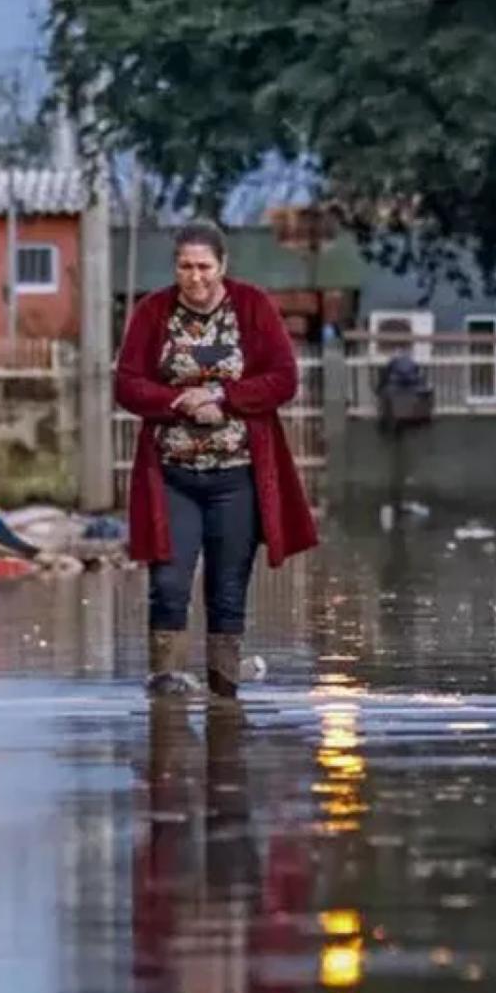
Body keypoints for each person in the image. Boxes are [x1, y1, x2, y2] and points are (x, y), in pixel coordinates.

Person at [115, 220, 318, 699]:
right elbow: (127, 383)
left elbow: (283, 379)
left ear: (223, 266)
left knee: (228, 590)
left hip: (238, 477)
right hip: (172, 476)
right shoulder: (152, 312)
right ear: (175, 268)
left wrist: (223, 397)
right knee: (169, 582)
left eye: (204, 266)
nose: (195, 277)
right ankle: (166, 683)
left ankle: (224, 687)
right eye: (185, 266)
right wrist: (179, 401)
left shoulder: (253, 307)